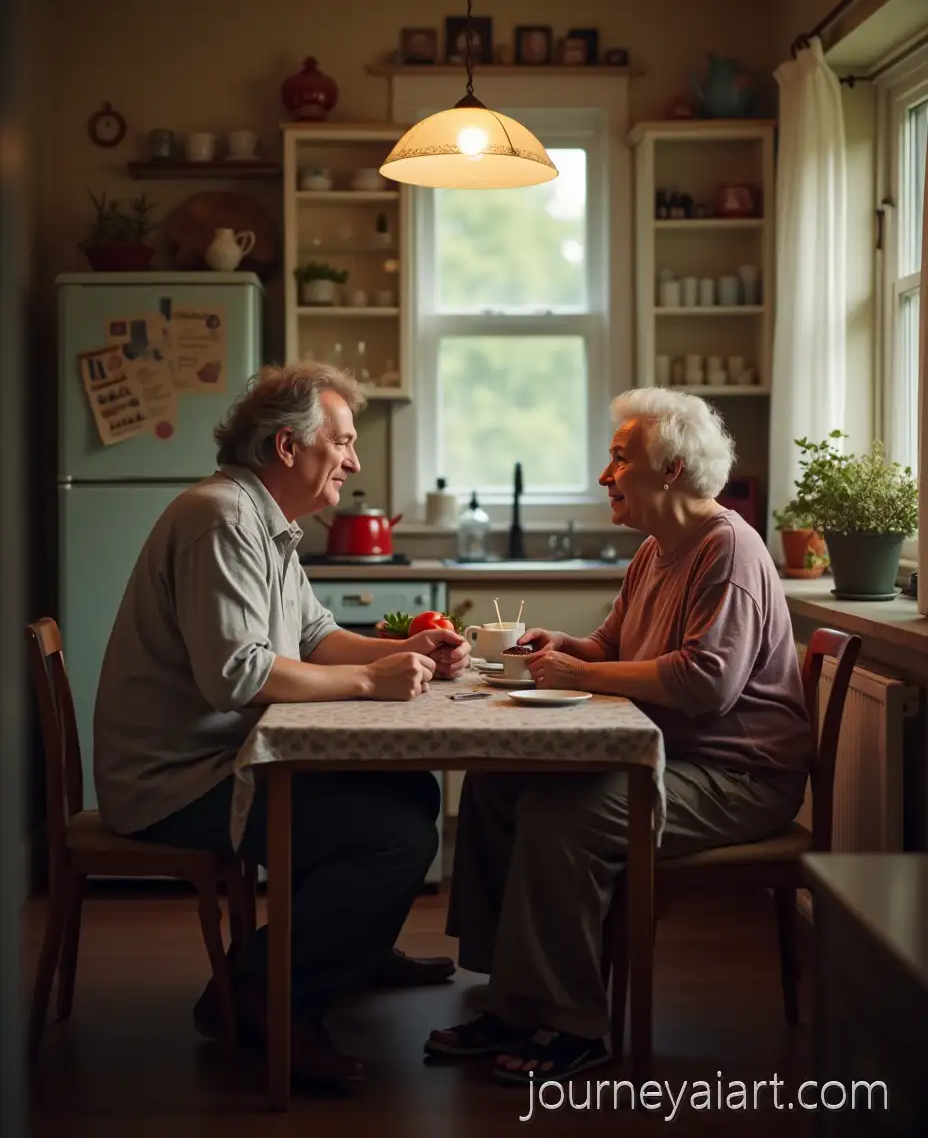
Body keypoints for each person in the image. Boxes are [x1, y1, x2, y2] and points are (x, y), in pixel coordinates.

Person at [93, 362, 470, 1087]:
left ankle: (350, 952)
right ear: (289, 448)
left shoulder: (267, 521)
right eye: (344, 441)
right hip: (177, 780)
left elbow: (319, 634)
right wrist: (370, 679)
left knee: (412, 794)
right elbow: (236, 675)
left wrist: (405, 649)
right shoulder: (222, 517)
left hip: (223, 760)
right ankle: (259, 1000)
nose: (355, 461)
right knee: (394, 837)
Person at [426, 387, 811, 1084]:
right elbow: (611, 644)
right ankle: (511, 997)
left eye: (618, 458)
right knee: (493, 784)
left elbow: (706, 685)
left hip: (738, 778)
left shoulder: (729, 551)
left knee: (563, 816)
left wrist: (582, 673)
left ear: (669, 470)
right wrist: (567, 645)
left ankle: (575, 1025)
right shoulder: (656, 550)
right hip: (670, 757)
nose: (605, 475)